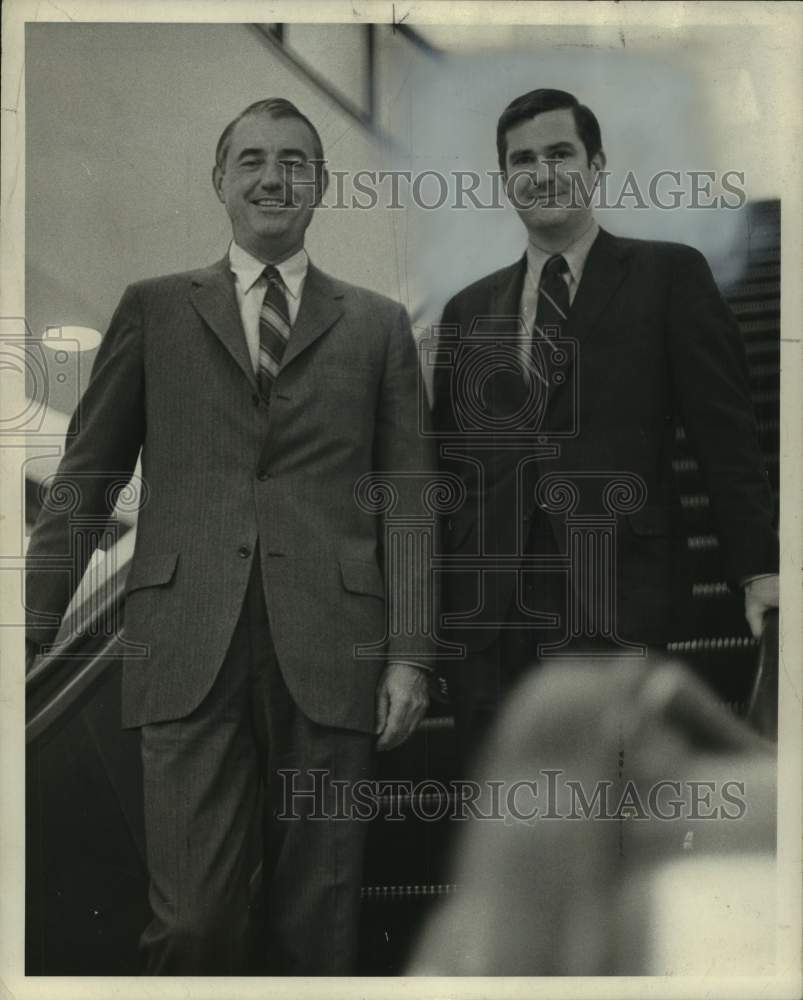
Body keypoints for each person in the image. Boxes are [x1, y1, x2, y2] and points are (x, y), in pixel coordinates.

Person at [25, 98, 432, 975]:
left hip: (333, 650)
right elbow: (88, 476)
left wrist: (409, 655)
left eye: (293, 161)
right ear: (219, 180)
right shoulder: (155, 309)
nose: (272, 178)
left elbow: (408, 500)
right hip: (185, 647)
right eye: (251, 160)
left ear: (320, 184)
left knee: (317, 927)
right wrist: (29, 623)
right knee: (193, 923)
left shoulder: (377, 326)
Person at [432, 88, 779, 769]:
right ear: (504, 178)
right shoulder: (466, 310)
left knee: (612, 801)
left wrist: (759, 570)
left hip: (618, 592)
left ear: (595, 165)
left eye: (560, 153)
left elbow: (726, 438)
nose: (542, 173)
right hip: (492, 619)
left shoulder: (668, 274)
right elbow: (449, 474)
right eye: (522, 160)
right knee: (509, 810)